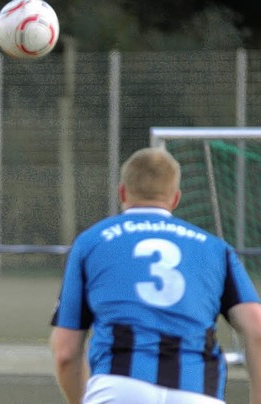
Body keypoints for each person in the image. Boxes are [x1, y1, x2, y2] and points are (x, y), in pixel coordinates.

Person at [50, 147, 261, 404]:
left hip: (118, 388)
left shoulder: (91, 242)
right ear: (175, 199)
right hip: (198, 391)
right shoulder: (216, 249)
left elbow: (66, 352)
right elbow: (257, 329)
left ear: (122, 192)